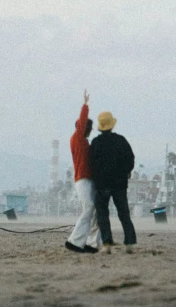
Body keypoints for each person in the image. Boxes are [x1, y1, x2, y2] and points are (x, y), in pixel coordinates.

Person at [89, 111, 137, 254]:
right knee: (124, 213)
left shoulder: (96, 143)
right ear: (112, 125)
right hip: (119, 184)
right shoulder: (121, 140)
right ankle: (129, 243)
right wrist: (125, 171)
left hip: (102, 185)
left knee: (103, 215)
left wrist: (96, 177)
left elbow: (91, 163)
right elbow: (130, 159)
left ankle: (107, 244)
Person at [65, 89, 101, 253]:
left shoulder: (84, 141)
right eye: (89, 128)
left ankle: (92, 243)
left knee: (95, 210)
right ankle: (74, 241)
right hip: (82, 179)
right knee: (89, 208)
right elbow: (82, 121)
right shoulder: (78, 137)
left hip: (89, 179)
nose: (90, 131)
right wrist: (85, 104)